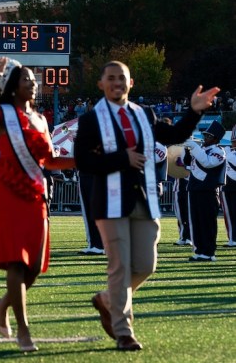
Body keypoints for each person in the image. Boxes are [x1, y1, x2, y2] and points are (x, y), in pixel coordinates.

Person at [74, 60, 217, 351]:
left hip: (144, 198)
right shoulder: (91, 120)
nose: (117, 83)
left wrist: (194, 111)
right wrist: (121, 159)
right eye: (110, 78)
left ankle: (108, 299)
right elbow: (83, 162)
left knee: (147, 266)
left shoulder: (144, 114)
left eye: (122, 78)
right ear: (101, 84)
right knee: (120, 267)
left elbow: (175, 136)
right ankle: (123, 331)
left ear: (131, 83)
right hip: (110, 201)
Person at [0, 56, 75, 352]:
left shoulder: (41, 119)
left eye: (35, 80)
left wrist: (84, 159)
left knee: (35, 268)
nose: (34, 84)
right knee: (16, 260)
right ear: (13, 85)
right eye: (27, 79)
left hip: (35, 191)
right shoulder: (2, 114)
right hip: (7, 190)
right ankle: (23, 330)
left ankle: (2, 304)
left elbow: (49, 160)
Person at [185, 121, 226, 261]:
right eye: (205, 135)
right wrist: (187, 150)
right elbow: (187, 164)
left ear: (216, 139)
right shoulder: (201, 150)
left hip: (208, 191)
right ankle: (199, 250)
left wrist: (195, 147)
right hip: (194, 189)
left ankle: (209, 252)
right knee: (195, 221)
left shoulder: (219, 151)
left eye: (208, 136)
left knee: (207, 222)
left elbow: (208, 163)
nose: (205, 138)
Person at [222, 130, 236, 247]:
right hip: (228, 187)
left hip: (230, 186)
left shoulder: (229, 154)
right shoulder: (230, 152)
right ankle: (232, 238)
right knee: (229, 214)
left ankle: (233, 239)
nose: (233, 144)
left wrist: (227, 153)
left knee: (231, 214)